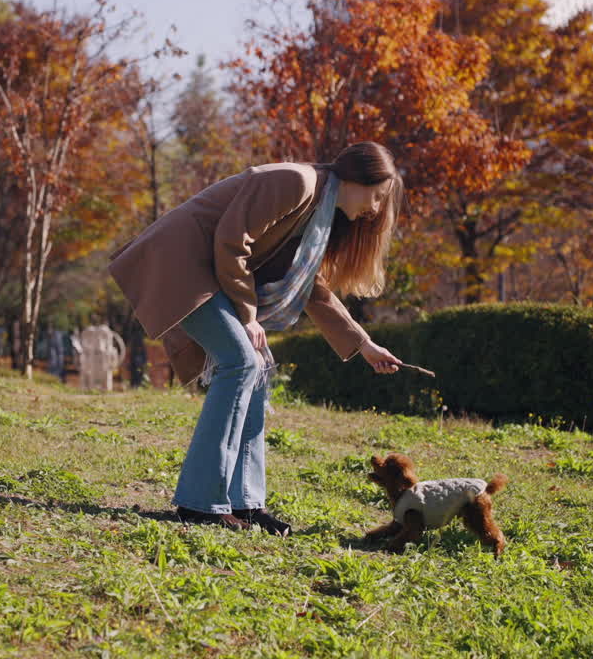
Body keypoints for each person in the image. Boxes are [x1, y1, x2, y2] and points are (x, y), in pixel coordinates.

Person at [108, 141, 404, 535]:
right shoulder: (296, 182)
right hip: (181, 263)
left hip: (210, 272)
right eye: (377, 196)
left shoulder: (317, 213)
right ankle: (199, 504)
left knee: (257, 368)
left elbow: (311, 288)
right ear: (357, 179)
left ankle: (245, 504)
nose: (374, 209)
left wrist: (364, 344)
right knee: (242, 361)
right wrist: (247, 315)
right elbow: (232, 241)